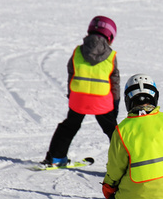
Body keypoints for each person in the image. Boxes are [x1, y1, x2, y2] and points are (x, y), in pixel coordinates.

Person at [42, 16, 120, 166]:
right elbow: (114, 81)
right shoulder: (111, 56)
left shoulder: (77, 51)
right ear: (109, 36)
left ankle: (56, 158)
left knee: (69, 126)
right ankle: (125, 164)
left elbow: (71, 73)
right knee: (113, 131)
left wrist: (72, 95)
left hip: (79, 98)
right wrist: (115, 103)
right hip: (102, 101)